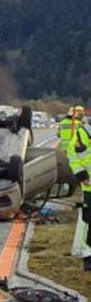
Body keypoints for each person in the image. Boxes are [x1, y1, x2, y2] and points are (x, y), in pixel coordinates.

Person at [67, 114, 91, 270]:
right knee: (89, 222)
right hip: (90, 185)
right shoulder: (84, 132)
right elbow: (72, 154)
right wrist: (81, 174)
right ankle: (88, 256)